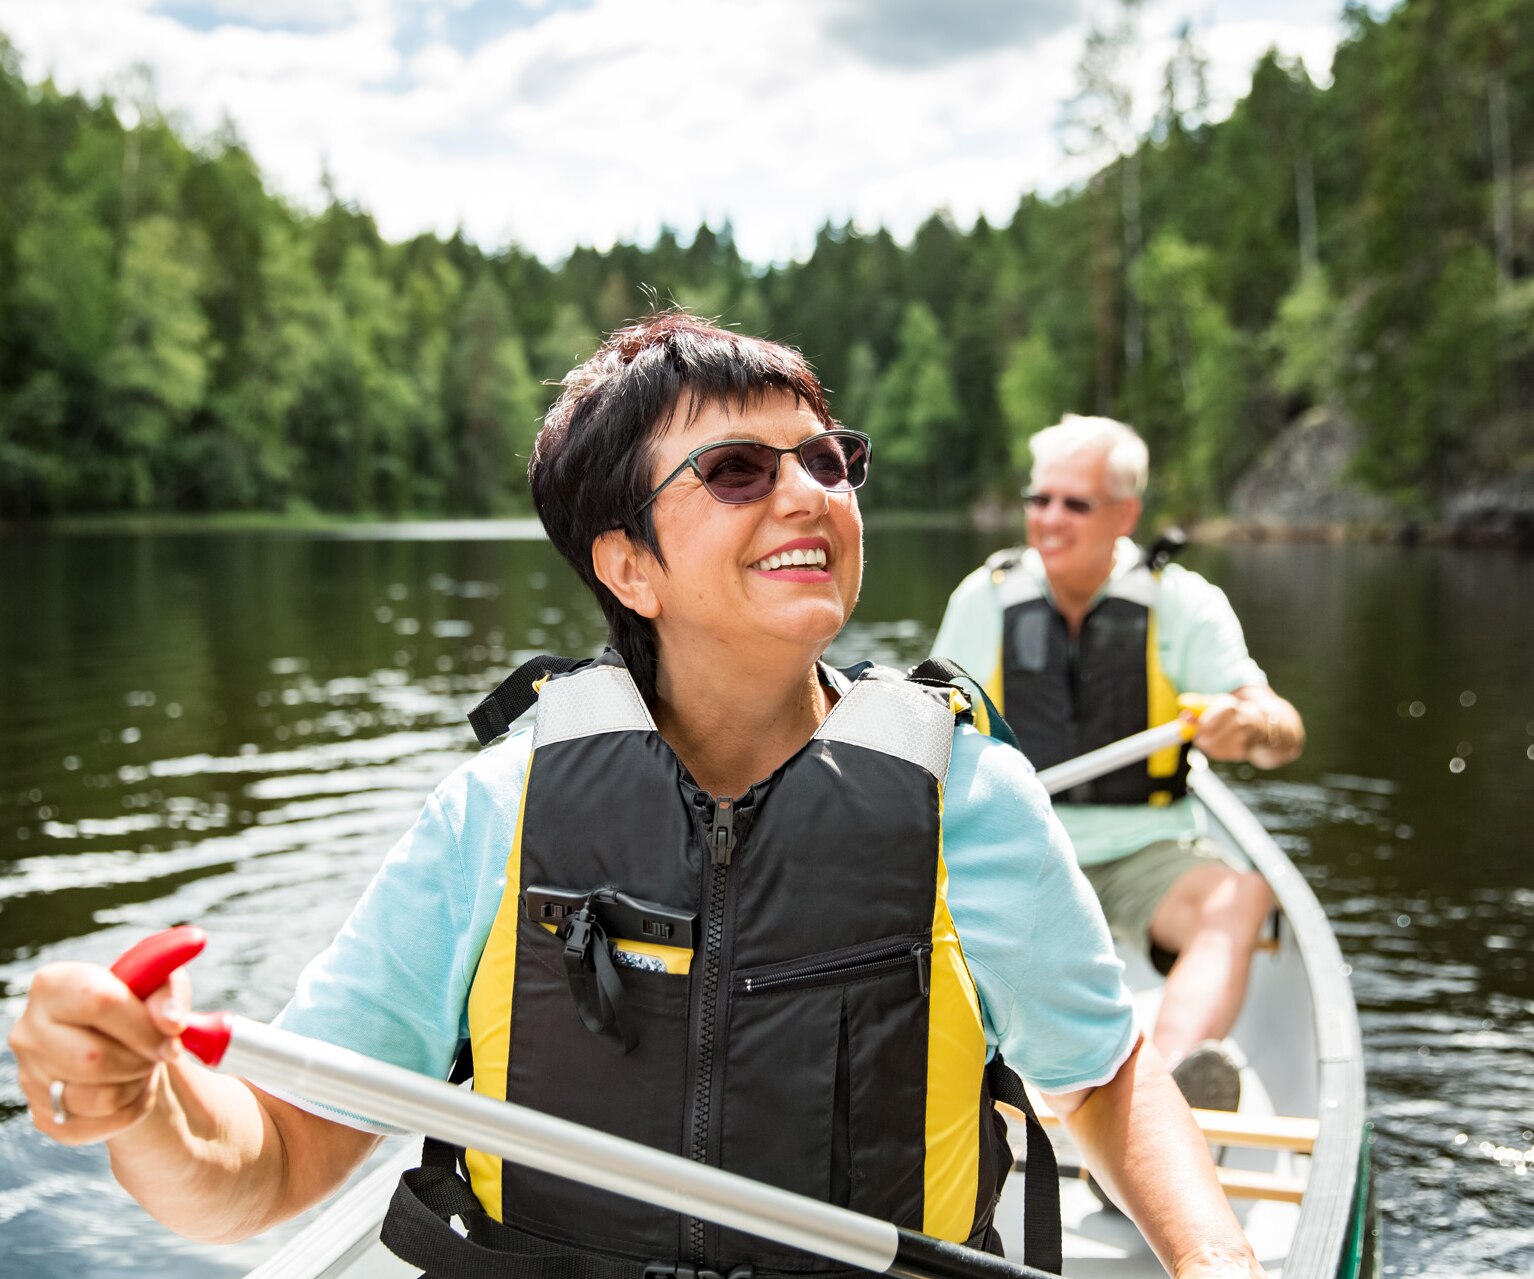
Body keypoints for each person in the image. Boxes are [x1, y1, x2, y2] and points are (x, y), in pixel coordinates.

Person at [9, 317, 1264, 1279]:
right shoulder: (495, 815)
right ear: (627, 565)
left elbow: (1099, 1080)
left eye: (828, 459)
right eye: (734, 469)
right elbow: (267, 1165)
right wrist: (148, 1104)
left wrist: (1214, 1260)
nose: (810, 492)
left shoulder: (969, 799)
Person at [932, 413, 1305, 1113]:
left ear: (1126, 513)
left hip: (1144, 852)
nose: (1049, 519)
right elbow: (930, 730)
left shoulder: (1183, 602)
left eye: (1075, 502)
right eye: (1039, 499)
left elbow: (1283, 728)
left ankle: (1163, 1096)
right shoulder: (984, 599)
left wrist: (1249, 723)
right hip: (1016, 843)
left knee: (1241, 897)